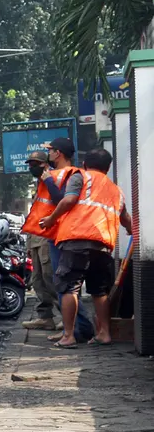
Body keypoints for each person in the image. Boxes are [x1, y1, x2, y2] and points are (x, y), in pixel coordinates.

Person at [40, 148, 131, 347]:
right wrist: (133, 231)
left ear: (85, 164)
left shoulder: (81, 177)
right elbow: (126, 219)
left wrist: (51, 219)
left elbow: (69, 199)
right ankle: (104, 334)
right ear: (108, 168)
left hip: (76, 241)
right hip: (102, 245)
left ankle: (69, 336)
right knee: (99, 291)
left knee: (69, 288)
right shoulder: (116, 190)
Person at [32, 137, 95, 343]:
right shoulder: (56, 174)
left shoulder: (69, 175)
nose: (48, 154)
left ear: (58, 153)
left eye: (50, 151)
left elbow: (62, 200)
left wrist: (48, 179)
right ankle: (72, 329)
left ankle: (80, 329)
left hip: (65, 234)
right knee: (62, 285)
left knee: (66, 286)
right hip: (55, 234)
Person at [19, 150, 62, 330]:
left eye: (35, 164)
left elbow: (60, 202)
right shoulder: (38, 186)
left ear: (45, 164)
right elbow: (34, 214)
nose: (32, 167)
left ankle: (65, 316)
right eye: (30, 164)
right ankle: (45, 317)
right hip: (36, 239)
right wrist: (29, 243)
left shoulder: (52, 181)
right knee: (37, 280)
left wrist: (48, 181)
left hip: (47, 237)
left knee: (49, 277)